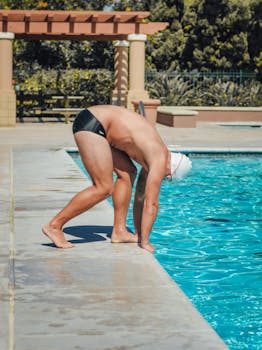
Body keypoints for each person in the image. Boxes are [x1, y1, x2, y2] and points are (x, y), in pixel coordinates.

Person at [42, 105, 192, 253]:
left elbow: (140, 197)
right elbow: (151, 203)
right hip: (94, 123)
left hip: (100, 126)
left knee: (128, 172)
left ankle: (119, 231)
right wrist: (145, 242)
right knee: (104, 188)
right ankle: (54, 225)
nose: (163, 179)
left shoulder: (154, 158)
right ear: (171, 169)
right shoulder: (159, 159)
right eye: (167, 177)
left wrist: (139, 234)